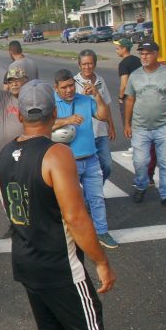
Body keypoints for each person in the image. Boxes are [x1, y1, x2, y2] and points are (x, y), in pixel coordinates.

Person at [0, 80, 116, 330]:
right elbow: (76, 218)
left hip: (26, 256)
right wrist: (101, 261)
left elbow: (8, 207)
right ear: (53, 115)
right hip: (59, 264)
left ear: (20, 115)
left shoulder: (5, 153)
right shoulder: (56, 154)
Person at [52, 69, 119, 249]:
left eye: (71, 85)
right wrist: (66, 120)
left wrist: (97, 95)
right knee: (68, 202)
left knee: (97, 198)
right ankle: (68, 234)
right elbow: (44, 126)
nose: (69, 90)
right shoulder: (51, 103)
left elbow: (103, 116)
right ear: (56, 88)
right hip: (66, 162)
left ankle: (102, 232)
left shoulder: (85, 100)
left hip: (90, 158)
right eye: (64, 87)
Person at [124, 40, 166, 209]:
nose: (144, 57)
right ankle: (141, 185)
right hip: (140, 127)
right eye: (142, 54)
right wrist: (127, 123)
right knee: (140, 162)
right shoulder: (135, 75)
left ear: (156, 54)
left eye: (148, 53)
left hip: (164, 126)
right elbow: (130, 99)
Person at [73, 50, 115, 181]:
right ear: (79, 65)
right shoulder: (74, 83)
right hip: (83, 133)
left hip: (101, 132)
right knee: (83, 169)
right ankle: (91, 191)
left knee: (107, 165)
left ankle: (96, 188)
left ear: (95, 64)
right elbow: (72, 107)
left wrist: (111, 126)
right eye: (84, 64)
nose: (87, 67)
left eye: (90, 64)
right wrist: (84, 96)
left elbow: (106, 105)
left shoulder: (100, 80)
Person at [114, 37, 142, 156]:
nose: (116, 50)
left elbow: (124, 84)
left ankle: (136, 147)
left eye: (118, 48)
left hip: (129, 97)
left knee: (128, 121)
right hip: (141, 95)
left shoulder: (123, 64)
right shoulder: (137, 60)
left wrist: (121, 98)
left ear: (124, 49)